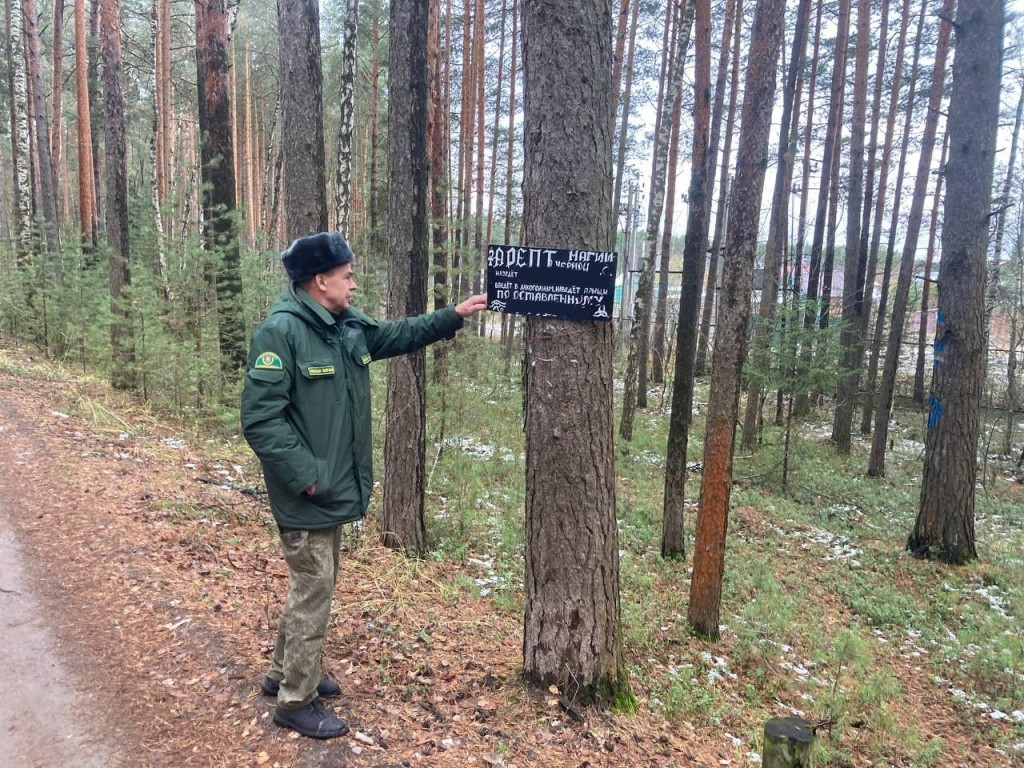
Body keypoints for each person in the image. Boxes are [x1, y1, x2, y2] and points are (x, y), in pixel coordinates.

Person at [241, 232, 487, 739]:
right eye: (347, 276)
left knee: (310, 584)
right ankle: (295, 700)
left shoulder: (345, 326)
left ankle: (282, 672)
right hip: (306, 493)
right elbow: (260, 420)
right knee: (315, 590)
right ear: (320, 280)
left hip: (330, 490)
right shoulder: (280, 333)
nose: (354, 283)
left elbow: (395, 336)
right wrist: (308, 478)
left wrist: (452, 316)